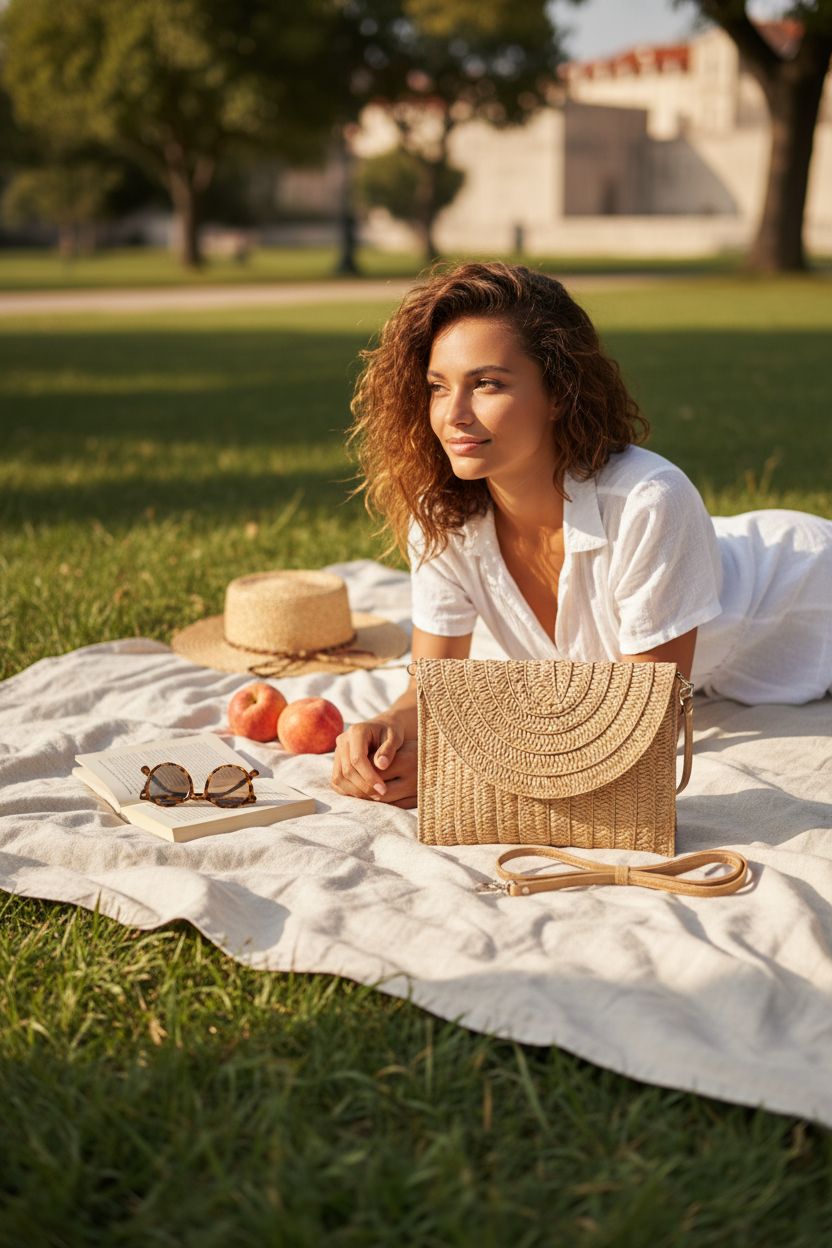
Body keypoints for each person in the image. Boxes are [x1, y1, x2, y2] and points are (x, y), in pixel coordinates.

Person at [331, 261, 832, 811]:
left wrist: (459, 762)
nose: (453, 414)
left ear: (559, 393)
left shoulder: (650, 501)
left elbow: (645, 730)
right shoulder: (444, 519)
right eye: (437, 386)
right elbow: (429, 690)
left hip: (806, 591)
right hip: (721, 670)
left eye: (488, 384)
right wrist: (384, 731)